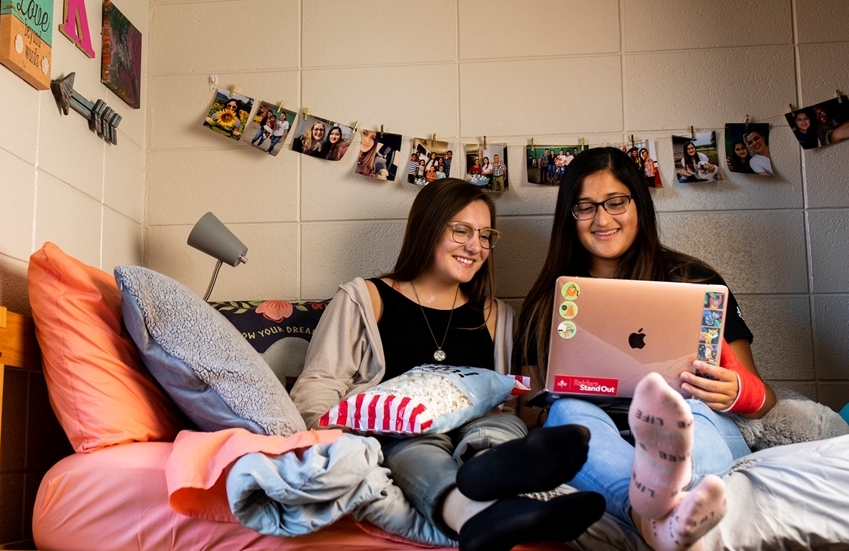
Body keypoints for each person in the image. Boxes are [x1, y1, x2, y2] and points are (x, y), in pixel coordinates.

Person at [292, 178, 605, 551]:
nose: (476, 247)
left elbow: (517, 402)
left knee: (500, 425)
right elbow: (317, 386)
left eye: (486, 235)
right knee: (415, 450)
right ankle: (474, 516)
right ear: (427, 228)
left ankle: (497, 470)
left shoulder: (497, 315)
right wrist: (339, 442)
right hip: (407, 432)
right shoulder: (366, 298)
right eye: (461, 231)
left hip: (485, 422)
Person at [515, 147, 777, 551]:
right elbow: (529, 410)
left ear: (639, 202)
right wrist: (558, 395)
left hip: (692, 419)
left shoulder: (697, 282)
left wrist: (735, 391)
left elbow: (762, 400)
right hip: (601, 430)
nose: (602, 219)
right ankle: (655, 517)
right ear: (569, 217)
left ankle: (661, 506)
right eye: (584, 207)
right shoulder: (548, 302)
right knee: (567, 413)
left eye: (615, 202)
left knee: (689, 411)